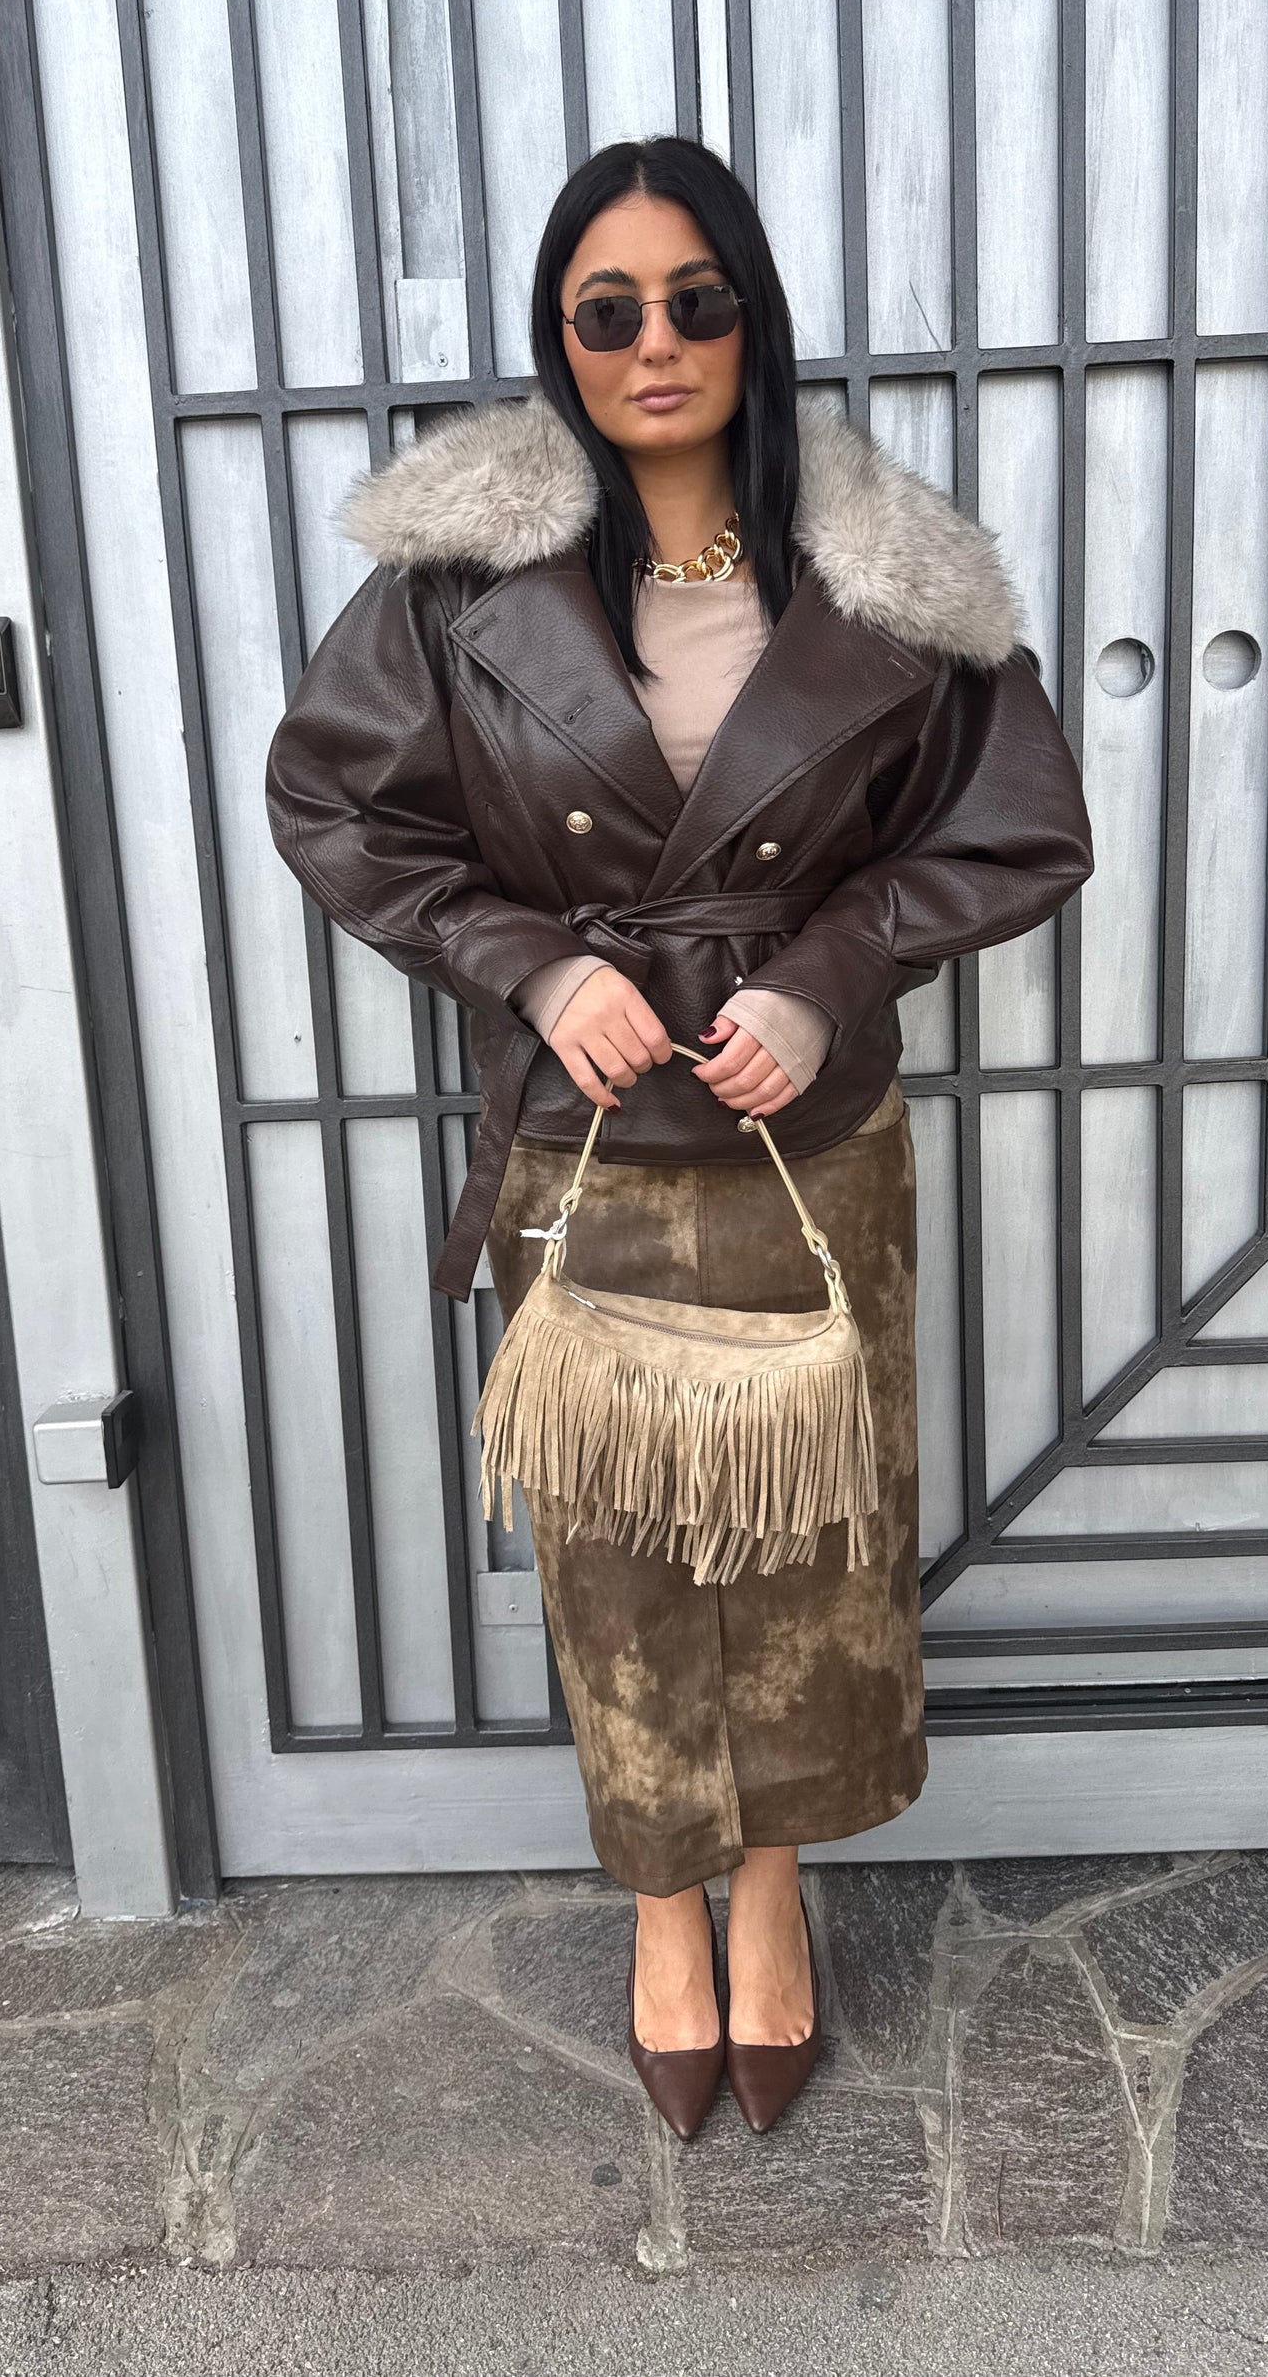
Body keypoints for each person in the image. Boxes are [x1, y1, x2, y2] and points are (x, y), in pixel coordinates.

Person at [265, 134, 1092, 2140]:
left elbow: (1014, 827)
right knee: (622, 1559)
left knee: (807, 1548)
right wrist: (532, 963)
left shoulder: (888, 571)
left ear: (752, 319)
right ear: (558, 337)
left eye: (695, 299)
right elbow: (338, 804)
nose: (656, 341)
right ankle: (661, 1906)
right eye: (607, 308)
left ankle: (774, 1893)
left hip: (807, 1137)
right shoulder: (454, 586)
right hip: (585, 1142)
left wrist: (828, 967)